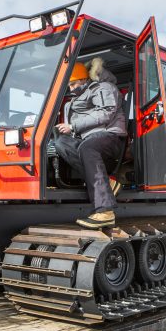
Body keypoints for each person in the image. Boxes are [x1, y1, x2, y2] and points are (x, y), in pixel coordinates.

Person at [55, 58, 127, 229]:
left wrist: (73, 126)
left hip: (110, 137)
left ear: (83, 79)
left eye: (73, 84)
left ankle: (105, 211)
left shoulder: (103, 88)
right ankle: (107, 183)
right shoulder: (78, 96)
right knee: (60, 143)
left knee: (87, 148)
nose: (71, 89)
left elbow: (106, 113)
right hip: (89, 140)